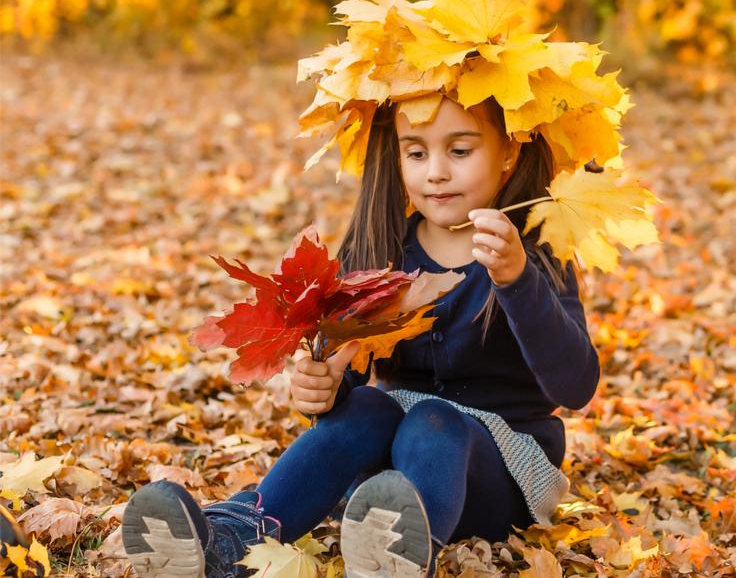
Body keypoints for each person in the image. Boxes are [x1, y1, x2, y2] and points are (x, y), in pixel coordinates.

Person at [120, 95, 601, 578]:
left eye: (459, 151)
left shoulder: (534, 253)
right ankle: (232, 540)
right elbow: (350, 368)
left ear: (508, 153)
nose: (435, 172)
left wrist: (517, 281)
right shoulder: (383, 246)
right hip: (389, 479)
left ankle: (405, 556)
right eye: (415, 153)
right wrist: (324, 387)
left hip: (500, 477)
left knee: (432, 418)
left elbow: (576, 386)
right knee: (369, 407)